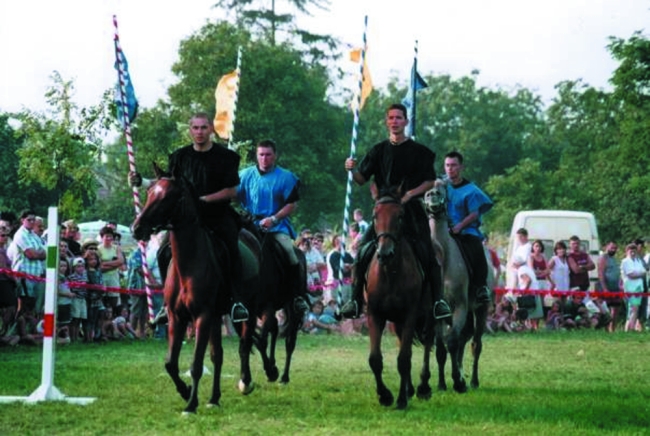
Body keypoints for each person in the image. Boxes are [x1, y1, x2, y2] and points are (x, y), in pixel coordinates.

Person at [129, 112, 249, 323]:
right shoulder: (179, 157)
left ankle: (236, 301)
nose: (199, 132)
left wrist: (204, 200)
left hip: (217, 215)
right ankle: (168, 304)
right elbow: (167, 186)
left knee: (232, 249)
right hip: (185, 219)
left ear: (211, 129)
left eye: (203, 128)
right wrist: (142, 181)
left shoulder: (226, 157)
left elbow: (232, 191)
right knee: (164, 251)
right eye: (195, 128)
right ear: (190, 130)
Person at [340, 103, 451, 320]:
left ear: (406, 121)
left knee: (428, 253)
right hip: (384, 213)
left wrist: (409, 195)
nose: (394, 121)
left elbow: (430, 181)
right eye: (391, 118)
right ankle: (354, 300)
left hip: (410, 212)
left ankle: (438, 302)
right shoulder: (378, 150)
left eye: (399, 118)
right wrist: (351, 170)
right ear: (386, 122)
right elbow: (362, 179)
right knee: (362, 253)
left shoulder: (420, 152)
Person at [236, 139, 310, 316]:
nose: (264, 158)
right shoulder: (244, 175)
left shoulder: (286, 177)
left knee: (289, 253)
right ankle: (234, 298)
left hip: (276, 227)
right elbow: (233, 195)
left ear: (275, 156)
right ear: (257, 156)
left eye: (268, 154)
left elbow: (292, 204)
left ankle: (298, 296)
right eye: (261, 154)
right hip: (249, 225)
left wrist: (274, 218)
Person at [443, 151, 493, 305]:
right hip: (443, 231)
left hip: (466, 231)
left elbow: (474, 213)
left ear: (461, 167)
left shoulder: (471, 190)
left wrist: (459, 227)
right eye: (447, 165)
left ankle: (480, 288)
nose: (450, 169)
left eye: (453, 165)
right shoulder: (441, 186)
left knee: (476, 250)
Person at [9, 210, 46, 316]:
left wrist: (37, 253)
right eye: (29, 220)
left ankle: (29, 329)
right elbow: (31, 254)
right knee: (24, 304)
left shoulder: (34, 236)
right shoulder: (20, 235)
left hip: (36, 275)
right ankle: (17, 328)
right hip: (24, 275)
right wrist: (38, 253)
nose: (32, 222)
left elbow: (44, 254)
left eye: (33, 220)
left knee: (33, 306)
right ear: (22, 220)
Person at [597, 241, 622, 332]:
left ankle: (613, 330)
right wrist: (604, 288)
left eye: (615, 248)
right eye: (612, 247)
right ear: (606, 247)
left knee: (616, 308)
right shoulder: (603, 257)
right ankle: (606, 330)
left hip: (615, 287)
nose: (614, 249)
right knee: (605, 310)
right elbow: (600, 273)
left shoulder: (614, 258)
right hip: (605, 287)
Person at [621, 243, 645, 332]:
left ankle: (629, 329)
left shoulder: (638, 261)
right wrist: (641, 274)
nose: (633, 253)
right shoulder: (625, 261)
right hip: (630, 288)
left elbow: (642, 271)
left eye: (634, 251)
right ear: (627, 251)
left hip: (639, 288)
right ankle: (630, 329)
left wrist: (640, 273)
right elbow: (631, 274)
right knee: (633, 309)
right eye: (631, 251)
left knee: (635, 309)